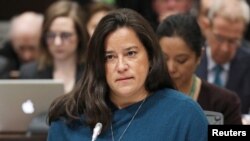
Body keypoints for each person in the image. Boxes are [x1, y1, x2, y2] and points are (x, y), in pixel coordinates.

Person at [47, 8, 208, 141]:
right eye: (109, 57)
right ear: (98, 64)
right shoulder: (69, 119)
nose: (121, 66)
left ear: (150, 57)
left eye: (131, 53)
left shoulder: (185, 114)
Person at [156, 13, 242, 124]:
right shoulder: (143, 95)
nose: (171, 68)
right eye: (164, 58)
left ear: (199, 56)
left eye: (181, 60)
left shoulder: (224, 103)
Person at [20, 0, 89, 93]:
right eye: (51, 35)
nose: (57, 42)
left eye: (65, 35)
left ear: (80, 36)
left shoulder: (93, 72)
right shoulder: (30, 73)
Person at [195, 0, 250, 114]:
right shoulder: (191, 59)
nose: (225, 48)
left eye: (233, 41)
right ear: (207, 27)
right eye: (220, 38)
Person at [0, 12, 43, 78]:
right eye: (21, 48)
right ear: (12, 42)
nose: (27, 56)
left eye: (32, 48)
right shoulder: (4, 59)